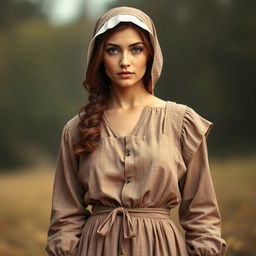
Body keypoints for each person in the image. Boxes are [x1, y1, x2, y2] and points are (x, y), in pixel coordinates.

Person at [45, 6, 227, 256]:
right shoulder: (77, 128)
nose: (124, 61)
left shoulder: (181, 122)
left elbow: (202, 213)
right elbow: (65, 217)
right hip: (96, 249)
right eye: (113, 50)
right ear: (99, 57)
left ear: (150, 55)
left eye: (136, 49)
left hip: (161, 248)